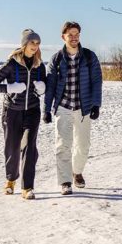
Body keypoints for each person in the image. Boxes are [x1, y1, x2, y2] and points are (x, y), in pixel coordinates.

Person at [44, 20, 103, 195]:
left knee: (83, 145)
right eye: (71, 34)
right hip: (63, 106)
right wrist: (46, 109)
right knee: (63, 145)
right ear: (63, 37)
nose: (74, 37)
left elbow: (96, 81)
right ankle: (65, 181)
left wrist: (96, 105)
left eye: (77, 34)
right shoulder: (56, 59)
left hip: (83, 107)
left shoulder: (89, 56)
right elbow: (50, 86)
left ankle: (76, 172)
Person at [0, 29, 48, 200]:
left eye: (37, 43)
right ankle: (10, 180)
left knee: (30, 148)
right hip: (12, 111)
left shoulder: (39, 65)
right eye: (32, 43)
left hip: (32, 111)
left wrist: (42, 88)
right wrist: (9, 88)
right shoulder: (11, 64)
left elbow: (45, 85)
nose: (35, 47)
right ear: (24, 44)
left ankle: (27, 187)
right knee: (12, 148)